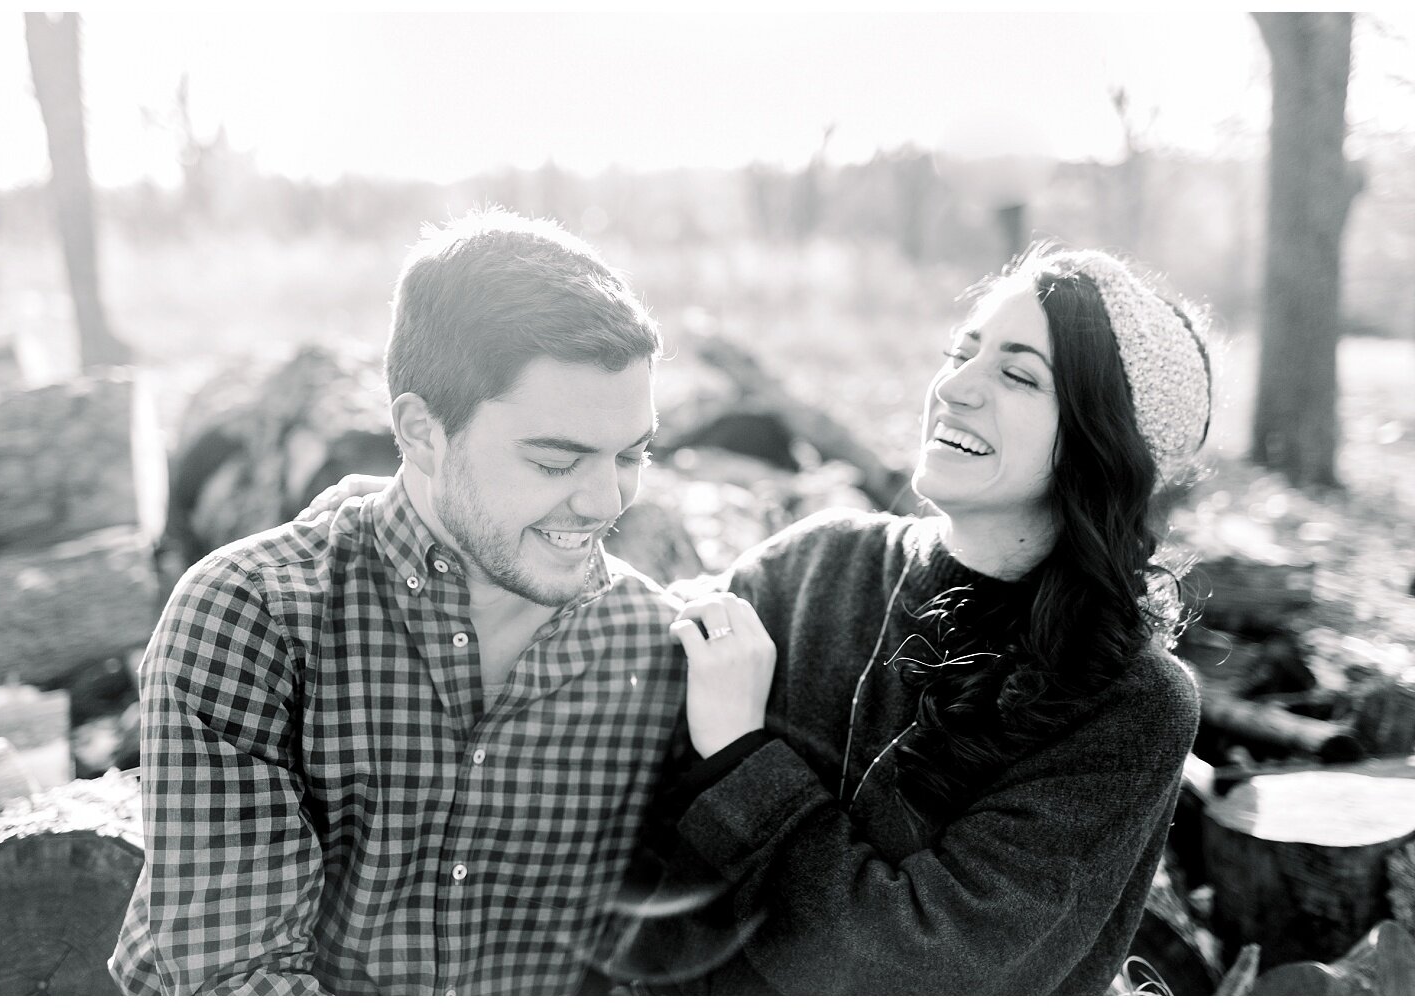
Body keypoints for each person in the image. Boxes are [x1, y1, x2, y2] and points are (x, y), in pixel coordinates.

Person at [604, 244, 1212, 994]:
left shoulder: (1131, 703)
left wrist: (740, 755)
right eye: (960, 353)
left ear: (1100, 443)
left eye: (1018, 375)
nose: (956, 386)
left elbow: (921, 967)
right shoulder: (820, 562)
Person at [109, 209, 688, 995]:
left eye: (632, 455)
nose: (603, 502)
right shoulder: (251, 618)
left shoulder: (650, 651)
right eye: (557, 460)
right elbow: (232, 981)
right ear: (421, 431)